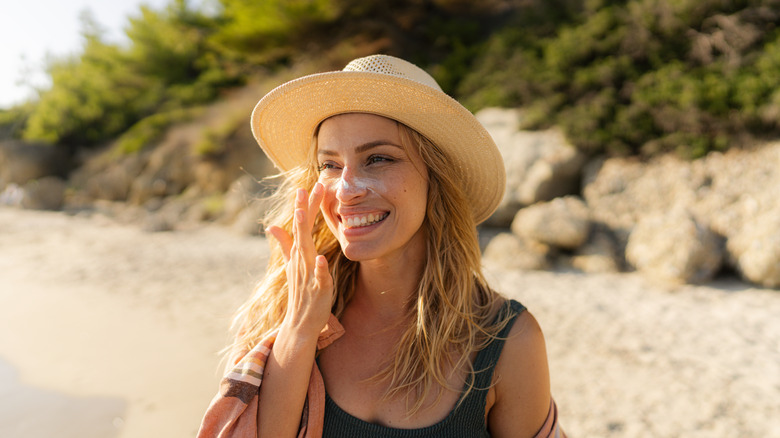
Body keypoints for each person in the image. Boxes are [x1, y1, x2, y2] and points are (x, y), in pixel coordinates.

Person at [198, 54, 564, 438]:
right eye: (330, 165)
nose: (347, 190)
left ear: (435, 178)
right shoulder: (279, 312)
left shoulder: (506, 339)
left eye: (378, 158)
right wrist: (300, 330)